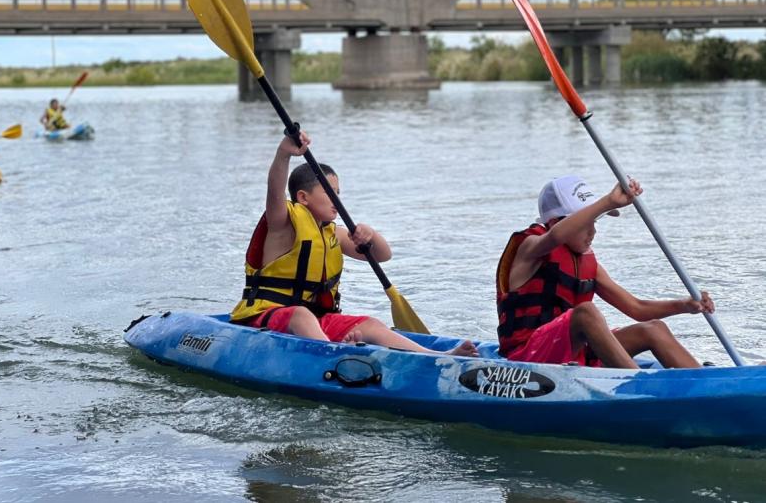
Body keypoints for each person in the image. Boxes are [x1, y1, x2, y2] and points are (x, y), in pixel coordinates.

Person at [230, 130, 477, 357]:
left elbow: (383, 255)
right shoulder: (282, 223)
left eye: (339, 193)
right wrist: (283, 154)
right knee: (301, 314)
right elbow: (274, 190)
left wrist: (371, 235)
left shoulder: (334, 234)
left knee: (370, 324)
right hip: (264, 315)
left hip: (317, 321)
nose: (337, 200)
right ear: (303, 197)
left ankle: (438, 357)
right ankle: (335, 354)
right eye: (330, 193)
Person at [495, 174, 714, 369]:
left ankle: (704, 385)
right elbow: (555, 237)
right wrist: (608, 201)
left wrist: (684, 305)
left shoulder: (587, 264)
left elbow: (636, 308)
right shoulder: (530, 248)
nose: (593, 231)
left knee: (653, 328)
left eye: (595, 222)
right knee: (585, 312)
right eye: (587, 222)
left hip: (574, 354)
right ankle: (638, 387)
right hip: (527, 359)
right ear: (554, 222)